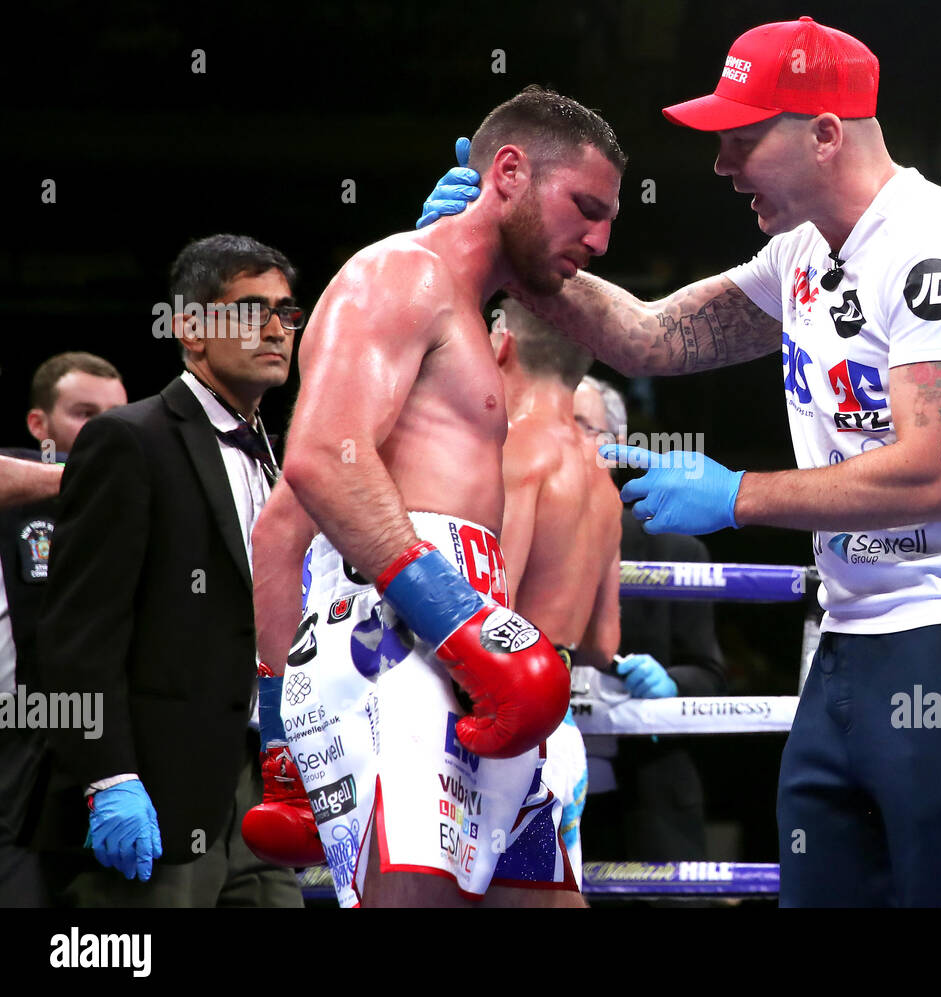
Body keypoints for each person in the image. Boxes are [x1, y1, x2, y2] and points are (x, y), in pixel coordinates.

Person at [419, 17, 941, 907]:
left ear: (827, 133)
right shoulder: (806, 253)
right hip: (850, 642)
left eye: (742, 139)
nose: (722, 164)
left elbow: (933, 470)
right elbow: (652, 335)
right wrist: (499, 241)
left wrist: (737, 496)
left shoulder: (933, 251)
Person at [249, 85, 623, 908]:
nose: (596, 240)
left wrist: (279, 729)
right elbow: (318, 460)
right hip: (397, 638)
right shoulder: (398, 274)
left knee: (544, 897)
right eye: (585, 208)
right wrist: (460, 626)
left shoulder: (471, 319)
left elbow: (278, 528)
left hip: (476, 636)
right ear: (511, 172)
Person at [32, 234, 305, 907]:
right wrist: (108, 776)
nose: (275, 329)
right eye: (250, 310)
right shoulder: (132, 439)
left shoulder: (279, 457)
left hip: (262, 783)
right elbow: (77, 633)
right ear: (190, 327)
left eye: (286, 311)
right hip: (159, 784)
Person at [491, 298, 623, 885]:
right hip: (563, 738)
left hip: (504, 733)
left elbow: (493, 612)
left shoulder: (521, 450)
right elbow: (603, 643)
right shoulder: (602, 479)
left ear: (502, 346)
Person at [572, 377, 726, 862]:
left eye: (577, 425)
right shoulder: (493, 541)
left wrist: (671, 686)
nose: (559, 439)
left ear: (615, 447)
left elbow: (709, 675)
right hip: (529, 793)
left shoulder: (673, 549)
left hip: (644, 793)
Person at [0, 353, 127, 906]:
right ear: (39, 424)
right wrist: (83, 477)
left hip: (86, 732)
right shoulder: (21, 473)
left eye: (115, 417)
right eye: (84, 414)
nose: (102, 431)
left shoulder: (132, 496)